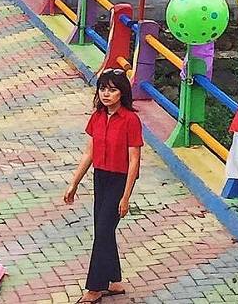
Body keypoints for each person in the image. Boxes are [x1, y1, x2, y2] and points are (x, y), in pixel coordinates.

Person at [63, 68, 142, 302]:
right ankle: (114, 280)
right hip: (101, 178)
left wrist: (126, 197)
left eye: (112, 90)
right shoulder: (97, 117)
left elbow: (134, 161)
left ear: (122, 93)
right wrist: (74, 183)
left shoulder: (130, 120)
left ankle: (95, 288)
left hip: (119, 180)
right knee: (103, 231)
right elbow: (89, 153)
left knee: (104, 232)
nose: (106, 94)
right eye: (103, 89)